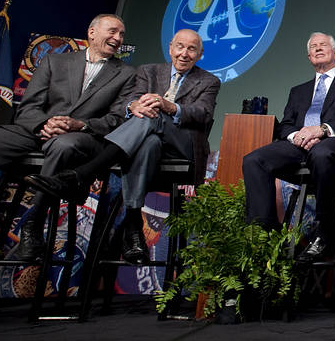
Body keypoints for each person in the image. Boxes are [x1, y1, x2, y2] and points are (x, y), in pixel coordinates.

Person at [0, 14, 135, 254]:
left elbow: (116, 119)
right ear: (92, 32)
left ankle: (33, 224)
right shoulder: (54, 61)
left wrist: (79, 124)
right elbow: (28, 108)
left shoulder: (127, 74)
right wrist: (46, 122)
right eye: (113, 31)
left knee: (63, 145)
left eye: (121, 34)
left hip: (82, 137)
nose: (118, 38)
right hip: (36, 130)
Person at [21, 29, 220, 263]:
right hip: (147, 141)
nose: (184, 53)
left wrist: (167, 106)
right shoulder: (149, 71)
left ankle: (85, 173)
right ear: (170, 48)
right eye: (180, 47)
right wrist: (134, 106)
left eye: (191, 49)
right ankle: (133, 222)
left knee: (153, 114)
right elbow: (129, 101)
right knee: (149, 140)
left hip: (182, 145)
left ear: (200, 54)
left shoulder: (209, 81)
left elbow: (203, 114)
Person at [242, 33, 335, 262]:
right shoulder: (298, 90)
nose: (319, 48)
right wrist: (297, 136)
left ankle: (325, 235)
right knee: (253, 160)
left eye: (324, 45)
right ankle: (264, 236)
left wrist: (321, 130)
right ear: (309, 56)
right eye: (314, 47)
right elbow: (286, 125)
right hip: (299, 147)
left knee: (322, 153)